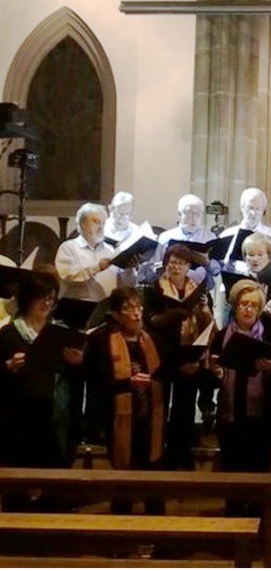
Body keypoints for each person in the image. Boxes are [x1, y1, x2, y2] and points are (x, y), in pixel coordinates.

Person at [83, 287, 167, 514]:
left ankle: (158, 536)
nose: (136, 313)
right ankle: (121, 537)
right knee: (124, 481)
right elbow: (98, 381)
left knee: (154, 481)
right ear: (116, 314)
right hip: (120, 420)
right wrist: (128, 382)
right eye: (128, 308)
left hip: (151, 419)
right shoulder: (103, 341)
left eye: (138, 307)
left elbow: (164, 374)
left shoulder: (153, 339)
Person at [209, 280, 271, 516]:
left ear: (259, 309)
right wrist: (215, 373)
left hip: (259, 417)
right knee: (233, 476)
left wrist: (270, 368)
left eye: (253, 305)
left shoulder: (269, 336)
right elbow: (210, 379)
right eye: (243, 304)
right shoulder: (221, 337)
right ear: (235, 307)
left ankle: (260, 529)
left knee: (259, 473)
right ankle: (234, 526)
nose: (248, 309)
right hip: (231, 418)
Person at [0, 271, 84, 472]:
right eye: (41, 298)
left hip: (56, 415)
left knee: (54, 475)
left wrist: (76, 364)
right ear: (28, 298)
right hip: (21, 416)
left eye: (51, 299)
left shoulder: (60, 332)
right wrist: (8, 366)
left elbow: (72, 376)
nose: (46, 304)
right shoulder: (9, 334)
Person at [143, 245, 217, 470]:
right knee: (160, 406)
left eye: (181, 263)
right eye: (171, 262)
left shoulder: (198, 291)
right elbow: (149, 321)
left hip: (188, 355)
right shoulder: (155, 288)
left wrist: (204, 310)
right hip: (163, 354)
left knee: (183, 408)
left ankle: (180, 455)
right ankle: (157, 454)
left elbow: (209, 325)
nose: (175, 266)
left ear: (188, 267)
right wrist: (173, 314)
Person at [55, 202, 134, 301]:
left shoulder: (111, 250)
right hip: (79, 308)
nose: (101, 227)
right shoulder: (68, 248)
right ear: (82, 223)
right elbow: (67, 277)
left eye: (103, 223)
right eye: (96, 222)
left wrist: (129, 270)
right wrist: (97, 267)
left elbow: (125, 287)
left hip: (108, 309)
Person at [155, 194, 218, 286]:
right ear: (179, 214)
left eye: (198, 214)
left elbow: (216, 269)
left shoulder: (210, 237)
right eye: (189, 213)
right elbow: (155, 265)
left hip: (200, 289)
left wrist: (207, 263)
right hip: (170, 288)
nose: (194, 218)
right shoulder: (166, 237)